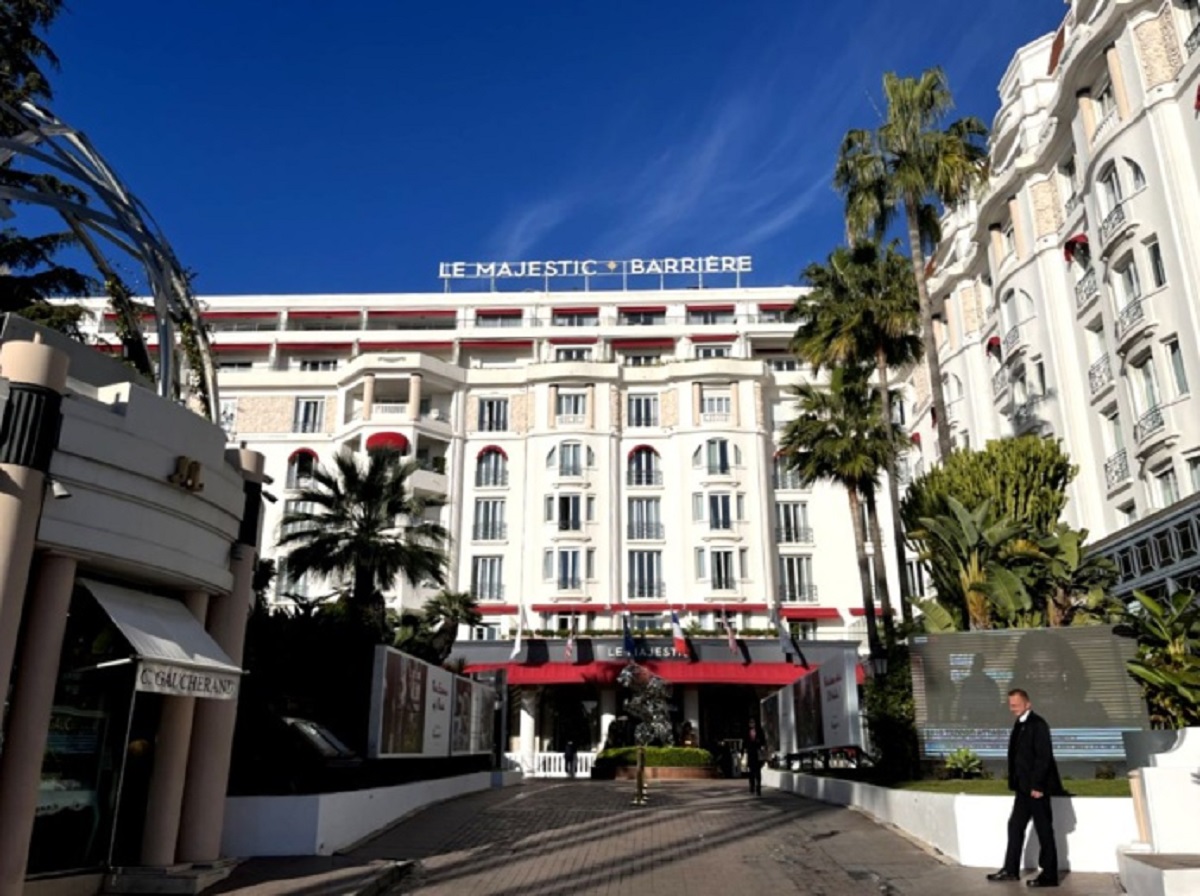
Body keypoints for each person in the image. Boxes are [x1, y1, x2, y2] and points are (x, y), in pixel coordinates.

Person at [987, 689, 1062, 888]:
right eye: (1011, 705)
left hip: (1036, 788)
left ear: (1027, 704)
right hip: (1023, 788)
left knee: (1044, 829)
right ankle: (1010, 869)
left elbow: (1043, 757)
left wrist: (1037, 785)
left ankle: (1049, 874)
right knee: (1015, 826)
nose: (1012, 708)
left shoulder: (1038, 724)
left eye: (1016, 705)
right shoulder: (1020, 724)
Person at [744, 719, 764, 796]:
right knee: (751, 771)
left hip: (757, 753)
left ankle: (758, 786)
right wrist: (744, 751)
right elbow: (745, 742)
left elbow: (763, 741)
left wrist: (761, 746)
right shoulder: (747, 732)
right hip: (750, 753)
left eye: (753, 722)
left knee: (758, 771)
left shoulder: (759, 731)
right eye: (750, 723)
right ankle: (752, 785)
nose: (752, 724)